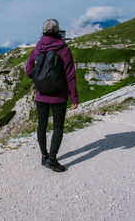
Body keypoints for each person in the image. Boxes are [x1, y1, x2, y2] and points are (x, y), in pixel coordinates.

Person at [25, 18, 78, 172]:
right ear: (58, 31)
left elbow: (28, 71)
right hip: (58, 96)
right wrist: (74, 97)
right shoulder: (64, 49)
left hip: (40, 95)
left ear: (43, 31)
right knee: (58, 127)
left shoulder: (37, 49)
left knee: (41, 125)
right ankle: (52, 159)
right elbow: (70, 75)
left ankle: (44, 156)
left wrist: (40, 78)